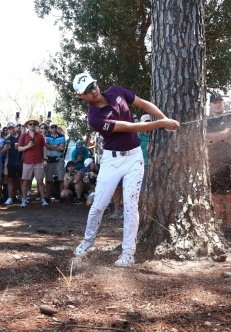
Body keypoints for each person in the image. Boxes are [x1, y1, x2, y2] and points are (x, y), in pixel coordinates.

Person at [72, 72, 180, 266]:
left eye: (93, 85)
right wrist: (161, 124)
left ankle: (128, 253)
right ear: (81, 96)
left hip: (134, 158)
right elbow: (129, 127)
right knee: (99, 205)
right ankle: (87, 242)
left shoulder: (116, 91)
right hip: (111, 161)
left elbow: (143, 104)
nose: (93, 91)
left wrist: (165, 121)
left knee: (131, 207)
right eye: (87, 91)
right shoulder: (94, 118)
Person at [206, 92, 231, 240]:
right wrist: (221, 136)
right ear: (210, 104)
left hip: (228, 162)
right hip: (211, 164)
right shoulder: (206, 121)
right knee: (215, 198)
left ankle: (230, 229)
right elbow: (204, 139)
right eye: (215, 102)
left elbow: (230, 134)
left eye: (220, 101)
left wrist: (215, 137)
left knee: (229, 198)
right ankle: (218, 228)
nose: (218, 104)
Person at [18, 118, 48, 208]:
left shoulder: (40, 136)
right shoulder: (23, 136)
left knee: (40, 181)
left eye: (33, 124)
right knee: (25, 182)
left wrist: (45, 159)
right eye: (30, 124)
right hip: (27, 161)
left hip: (38, 161)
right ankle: (24, 199)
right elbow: (19, 148)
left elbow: (44, 148)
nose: (32, 125)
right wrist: (27, 146)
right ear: (27, 126)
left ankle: (43, 199)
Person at [45, 123, 66, 199]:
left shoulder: (62, 136)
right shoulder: (47, 136)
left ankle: (62, 196)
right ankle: (47, 196)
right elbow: (46, 146)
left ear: (57, 128)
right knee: (48, 179)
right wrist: (56, 146)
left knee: (61, 179)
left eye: (55, 127)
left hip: (59, 159)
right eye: (52, 127)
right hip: (50, 159)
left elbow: (62, 148)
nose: (54, 128)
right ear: (50, 128)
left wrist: (51, 147)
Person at [3, 123, 21, 205]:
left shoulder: (21, 137)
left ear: (15, 128)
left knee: (21, 180)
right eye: (9, 128)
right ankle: (10, 198)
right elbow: (2, 152)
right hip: (11, 161)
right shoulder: (7, 139)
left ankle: (22, 197)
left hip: (20, 161)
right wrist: (5, 148)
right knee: (10, 179)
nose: (11, 130)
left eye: (12, 128)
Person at [138, 114, 151, 192]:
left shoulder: (155, 135)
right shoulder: (138, 135)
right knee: (142, 188)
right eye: (145, 122)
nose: (148, 124)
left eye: (149, 122)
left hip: (153, 164)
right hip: (142, 164)